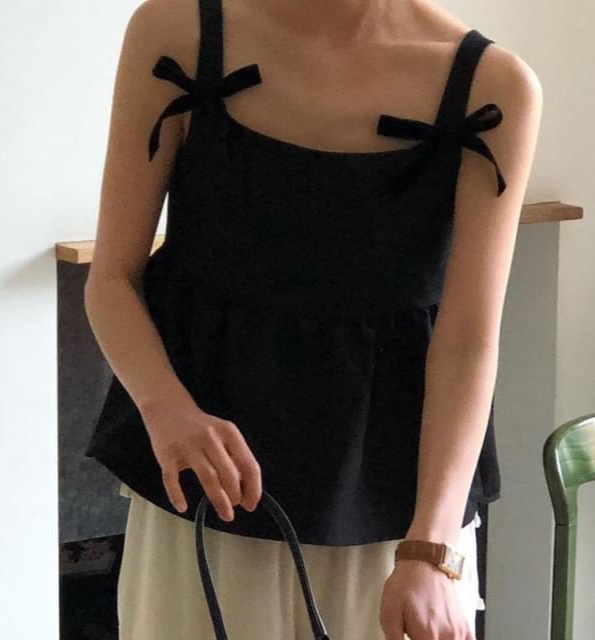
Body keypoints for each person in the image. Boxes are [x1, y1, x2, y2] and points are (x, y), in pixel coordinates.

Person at [83, 0, 542, 638]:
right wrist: (166, 410)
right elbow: (112, 280)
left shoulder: (494, 87)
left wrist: (433, 551)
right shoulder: (177, 32)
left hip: (400, 513)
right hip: (206, 489)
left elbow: (468, 340)